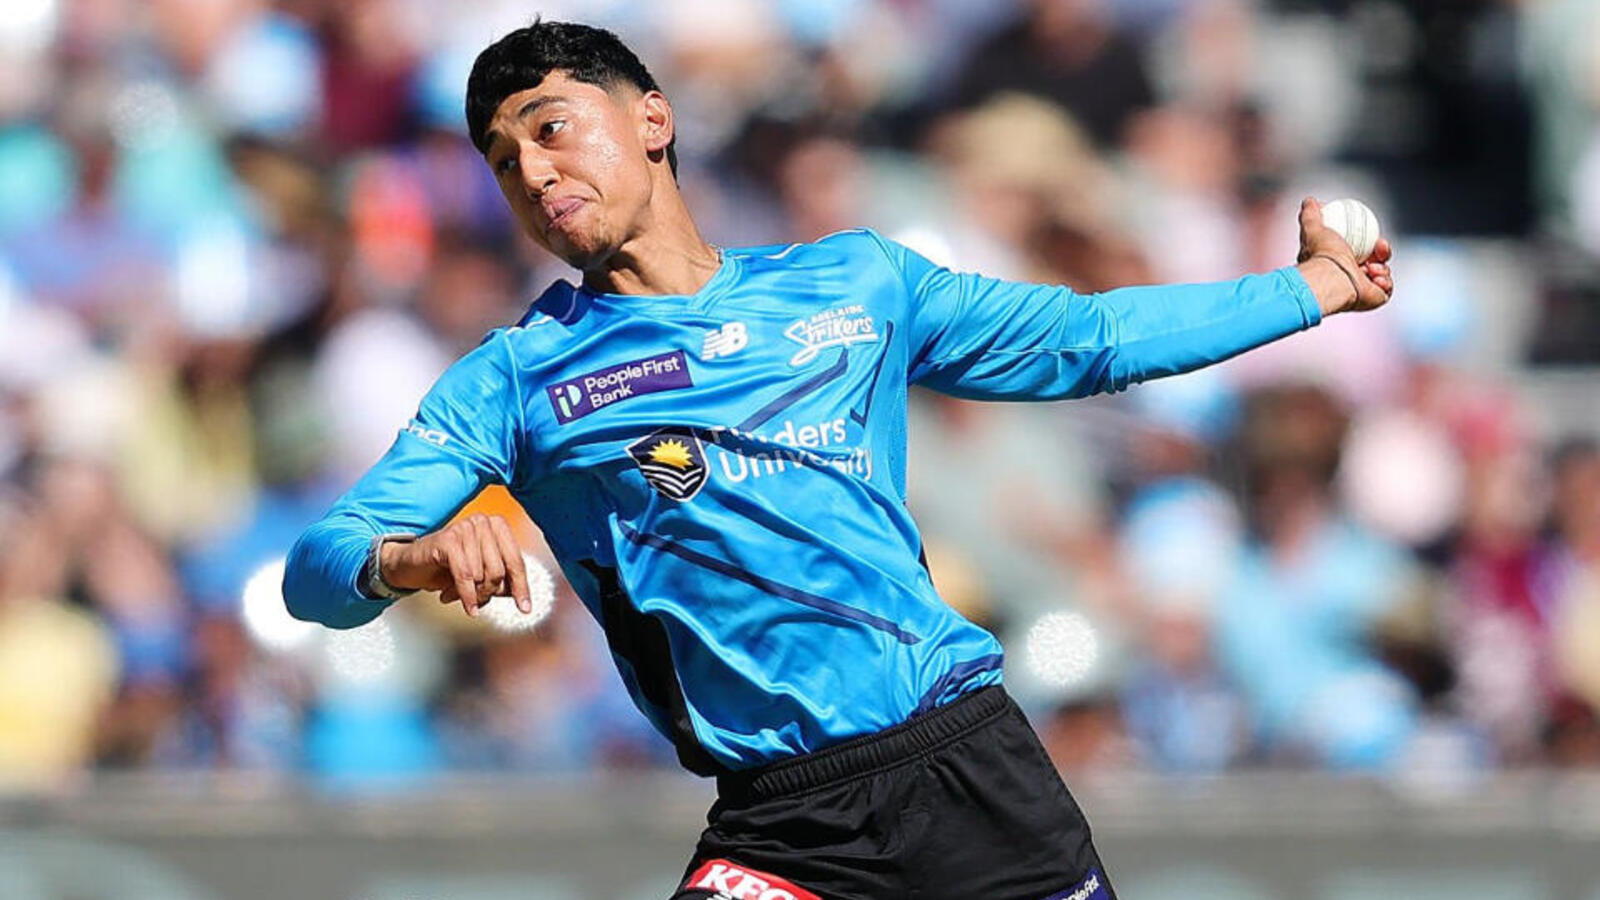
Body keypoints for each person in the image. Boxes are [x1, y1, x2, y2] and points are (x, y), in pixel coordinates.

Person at [283, 20, 1394, 900]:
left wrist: (1307, 289)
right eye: (503, 159)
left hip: (970, 774)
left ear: (653, 116)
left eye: (551, 127)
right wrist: (407, 559)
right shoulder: (517, 378)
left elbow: (1090, 338)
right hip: (783, 827)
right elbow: (315, 569)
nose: (531, 171)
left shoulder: (856, 283)